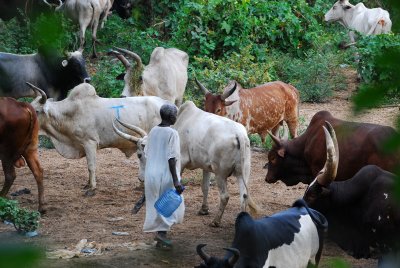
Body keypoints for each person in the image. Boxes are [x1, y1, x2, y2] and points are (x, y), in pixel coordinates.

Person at [143, 104, 185, 248]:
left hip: (151, 173)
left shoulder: (153, 131)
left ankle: (161, 235)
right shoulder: (172, 133)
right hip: (165, 174)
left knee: (157, 203)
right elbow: (171, 158)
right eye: (175, 114)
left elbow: (147, 152)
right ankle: (161, 234)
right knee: (169, 204)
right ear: (171, 116)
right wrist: (176, 181)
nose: (176, 117)